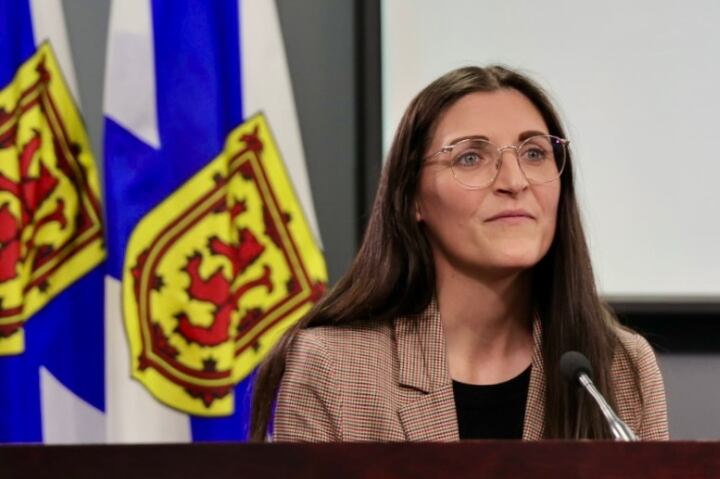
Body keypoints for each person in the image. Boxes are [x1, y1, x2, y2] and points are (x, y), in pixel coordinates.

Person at [249, 65, 669, 442]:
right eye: (471, 157)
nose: (514, 181)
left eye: (535, 153)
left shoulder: (617, 368)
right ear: (412, 198)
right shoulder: (336, 368)